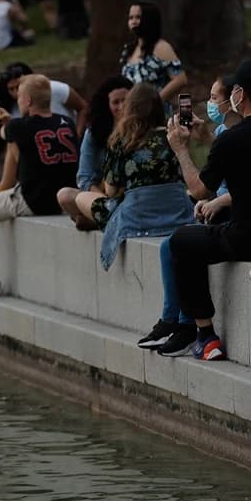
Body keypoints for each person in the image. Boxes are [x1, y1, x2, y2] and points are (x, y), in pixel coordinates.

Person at [158, 58, 251, 359]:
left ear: (239, 95)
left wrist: (181, 150)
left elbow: (200, 189)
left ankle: (204, 334)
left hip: (247, 238)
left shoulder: (233, 139)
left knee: (181, 242)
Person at [136, 75, 237, 350]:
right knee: (172, 244)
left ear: (235, 100)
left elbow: (208, 188)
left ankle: (189, 325)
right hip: (229, 210)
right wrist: (203, 135)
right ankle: (175, 320)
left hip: (240, 219)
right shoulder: (225, 132)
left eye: (215, 98)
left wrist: (181, 149)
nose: (209, 103)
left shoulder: (238, 136)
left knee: (177, 243)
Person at [0, 74, 79, 295]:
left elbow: (7, 133)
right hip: (66, 198)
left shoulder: (18, 127)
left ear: (28, 101)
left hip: (34, 200)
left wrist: (7, 123)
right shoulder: (68, 123)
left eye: (19, 97)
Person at [57, 83, 195, 268]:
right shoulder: (175, 136)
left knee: (77, 196)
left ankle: (95, 220)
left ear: (130, 108)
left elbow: (112, 191)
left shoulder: (122, 139)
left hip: (136, 219)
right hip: (178, 214)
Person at [72, 75, 133, 197]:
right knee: (65, 195)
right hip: (102, 193)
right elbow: (84, 176)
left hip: (132, 193)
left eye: (125, 100)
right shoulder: (94, 131)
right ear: (107, 105)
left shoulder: (143, 128)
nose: (121, 107)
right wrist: (105, 203)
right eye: (116, 102)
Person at [119, 1, 188, 107]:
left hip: (155, 115)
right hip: (132, 114)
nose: (133, 21)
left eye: (138, 17)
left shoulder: (161, 47)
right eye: (130, 17)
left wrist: (154, 103)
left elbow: (180, 79)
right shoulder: (129, 49)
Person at [0, 62, 88, 136]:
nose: (17, 93)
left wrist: (77, 135)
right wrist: (8, 123)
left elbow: (83, 107)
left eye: (19, 86)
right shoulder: (11, 108)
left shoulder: (56, 89)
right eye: (11, 89)